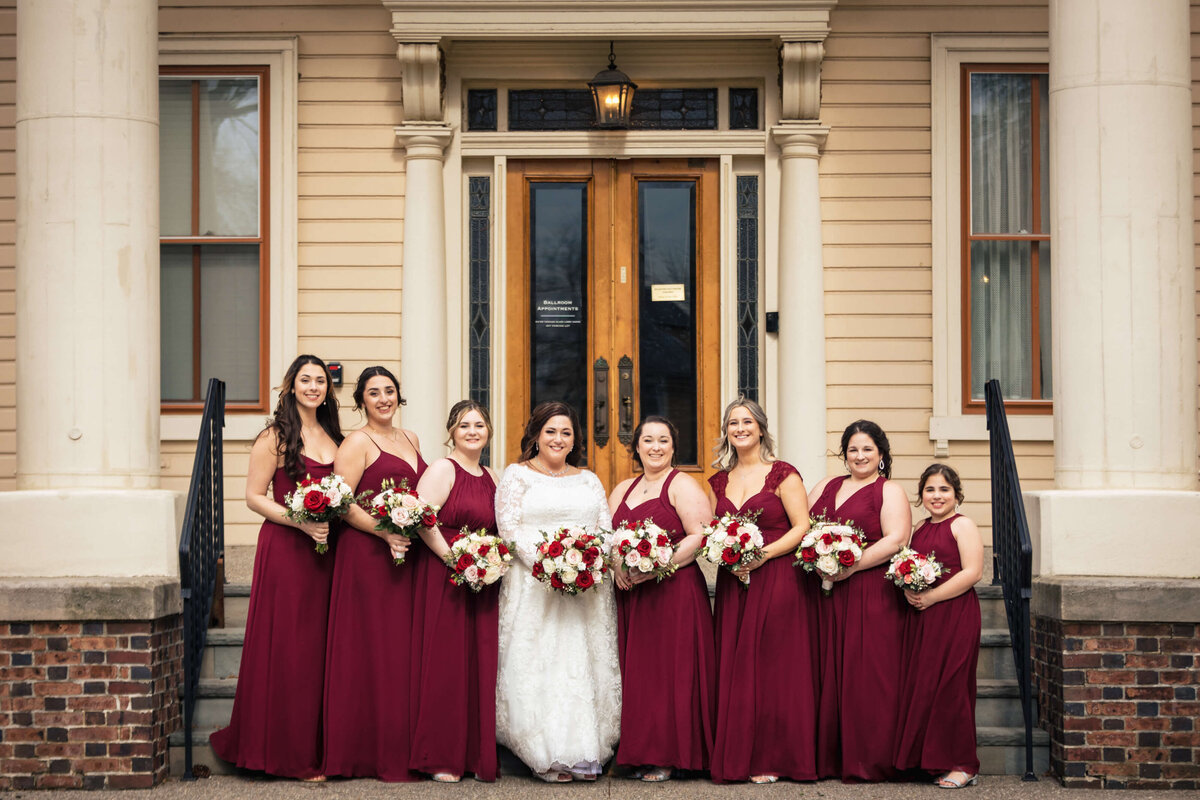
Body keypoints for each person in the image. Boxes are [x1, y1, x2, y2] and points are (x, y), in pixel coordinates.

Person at [210, 355, 343, 780]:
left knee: (321, 649)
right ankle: (288, 753)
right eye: (305, 380)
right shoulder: (275, 435)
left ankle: (322, 746)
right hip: (287, 548)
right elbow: (254, 496)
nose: (313, 387)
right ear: (291, 385)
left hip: (327, 549)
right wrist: (300, 522)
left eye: (320, 381)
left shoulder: (334, 435)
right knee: (292, 648)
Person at [493, 401, 620, 782]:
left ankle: (584, 748)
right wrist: (551, 564)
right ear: (535, 434)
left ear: (575, 439)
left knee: (580, 666)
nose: (558, 439)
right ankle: (544, 753)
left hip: (586, 589)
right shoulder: (516, 476)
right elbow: (509, 530)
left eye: (566, 432)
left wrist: (587, 561)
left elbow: (605, 528)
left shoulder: (588, 479)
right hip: (534, 586)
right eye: (550, 431)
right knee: (541, 664)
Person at [322, 366, 427, 781]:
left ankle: (402, 745)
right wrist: (384, 532)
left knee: (401, 653)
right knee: (370, 650)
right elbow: (341, 504)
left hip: (406, 555)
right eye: (373, 392)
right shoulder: (355, 442)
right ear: (361, 400)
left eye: (389, 391)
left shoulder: (412, 439)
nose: (383, 398)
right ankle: (361, 753)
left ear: (398, 395)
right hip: (367, 556)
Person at [706, 398, 818, 784]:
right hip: (734, 581)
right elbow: (711, 531)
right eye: (733, 423)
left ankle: (774, 758)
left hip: (777, 577)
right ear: (727, 430)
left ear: (761, 428)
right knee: (738, 666)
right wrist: (725, 553)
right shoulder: (718, 480)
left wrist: (761, 555)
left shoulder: (783, 474)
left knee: (774, 667)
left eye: (747, 422)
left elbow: (802, 526)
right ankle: (742, 755)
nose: (740, 429)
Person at [608, 416, 715, 782]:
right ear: (636, 446)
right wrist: (615, 566)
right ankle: (640, 751)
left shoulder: (682, 486)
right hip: (633, 595)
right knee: (640, 675)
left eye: (663, 441)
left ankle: (669, 755)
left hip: (673, 593)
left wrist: (658, 566)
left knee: (670, 674)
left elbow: (699, 536)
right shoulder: (622, 488)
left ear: (674, 447)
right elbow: (609, 540)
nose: (655, 447)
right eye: (648, 440)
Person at [809, 419, 912, 781]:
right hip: (824, 593)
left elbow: (895, 539)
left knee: (867, 675)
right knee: (827, 672)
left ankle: (869, 759)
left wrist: (850, 566)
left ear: (881, 454)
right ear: (844, 454)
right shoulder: (826, 485)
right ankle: (829, 759)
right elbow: (803, 528)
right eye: (853, 449)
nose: (860, 455)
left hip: (869, 593)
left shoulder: (889, 491)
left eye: (867, 449)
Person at [410, 401, 501, 783]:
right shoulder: (442, 469)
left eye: (479, 425)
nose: (472, 431)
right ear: (451, 431)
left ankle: (473, 755)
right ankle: (441, 756)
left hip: (480, 580)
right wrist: (456, 562)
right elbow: (423, 521)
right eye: (464, 425)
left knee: (476, 667)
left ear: (489, 432)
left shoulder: (492, 476)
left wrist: (488, 563)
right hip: (445, 574)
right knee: (446, 665)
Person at [893, 464, 983, 788]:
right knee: (924, 687)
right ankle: (928, 761)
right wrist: (907, 587)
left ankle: (963, 764)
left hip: (955, 613)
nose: (937, 496)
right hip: (921, 617)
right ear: (922, 496)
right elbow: (903, 565)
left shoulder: (963, 525)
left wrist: (932, 597)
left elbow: (972, 573)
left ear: (957, 494)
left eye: (944, 489)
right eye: (930, 490)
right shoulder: (918, 528)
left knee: (952, 687)